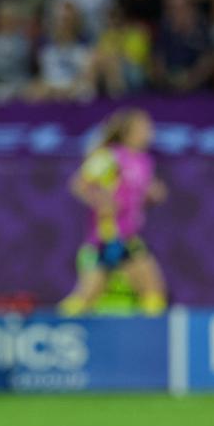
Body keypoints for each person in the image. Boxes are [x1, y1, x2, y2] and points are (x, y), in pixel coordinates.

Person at [59, 108, 167, 317]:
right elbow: (79, 184)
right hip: (108, 235)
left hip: (128, 234)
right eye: (144, 127)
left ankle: (59, 322)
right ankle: (56, 323)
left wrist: (152, 195)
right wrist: (102, 201)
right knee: (149, 288)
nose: (150, 132)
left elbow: (135, 194)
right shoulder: (109, 156)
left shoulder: (144, 161)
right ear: (128, 131)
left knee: (93, 294)